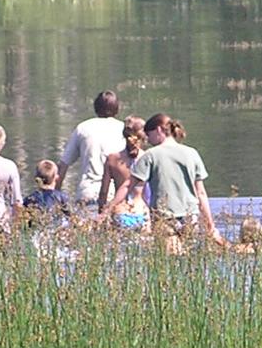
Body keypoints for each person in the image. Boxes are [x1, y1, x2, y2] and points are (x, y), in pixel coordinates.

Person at [110, 112, 222, 245]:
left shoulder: (151, 155)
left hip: (164, 217)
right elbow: (201, 193)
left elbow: (128, 186)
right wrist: (210, 226)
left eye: (149, 135)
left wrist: (108, 209)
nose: (148, 140)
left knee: (171, 260)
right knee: (189, 260)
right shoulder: (192, 153)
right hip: (191, 217)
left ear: (158, 130)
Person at [57, 90, 127, 208]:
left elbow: (64, 165)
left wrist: (55, 194)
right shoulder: (123, 129)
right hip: (114, 194)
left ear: (96, 107)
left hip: (86, 191)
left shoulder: (83, 128)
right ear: (117, 108)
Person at [96, 116, 147, 221]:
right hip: (141, 211)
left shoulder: (112, 159)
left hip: (120, 212)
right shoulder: (148, 158)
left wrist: (102, 212)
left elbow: (104, 192)